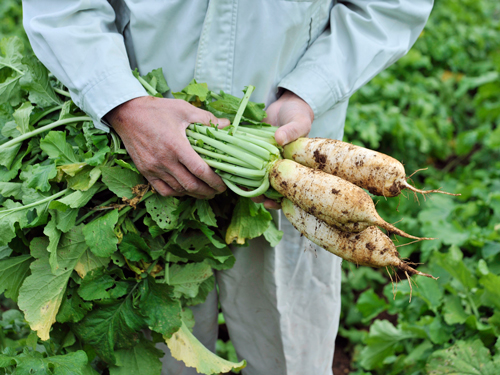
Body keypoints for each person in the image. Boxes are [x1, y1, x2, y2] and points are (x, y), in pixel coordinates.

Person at [22, 1, 433, 374]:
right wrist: (123, 104)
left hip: (296, 154)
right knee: (155, 348)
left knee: (291, 350)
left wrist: (309, 88)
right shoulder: (130, 120)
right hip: (138, 151)